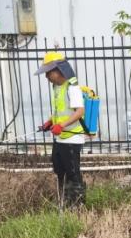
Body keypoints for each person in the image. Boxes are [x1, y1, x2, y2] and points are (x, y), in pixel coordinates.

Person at [35, 51, 97, 206]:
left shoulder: (72, 88)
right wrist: (50, 122)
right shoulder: (57, 88)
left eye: (48, 72)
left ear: (58, 70)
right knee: (59, 170)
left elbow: (79, 111)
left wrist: (61, 126)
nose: (46, 76)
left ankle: (78, 205)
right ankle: (64, 202)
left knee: (73, 173)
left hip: (72, 139)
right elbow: (61, 111)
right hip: (60, 138)